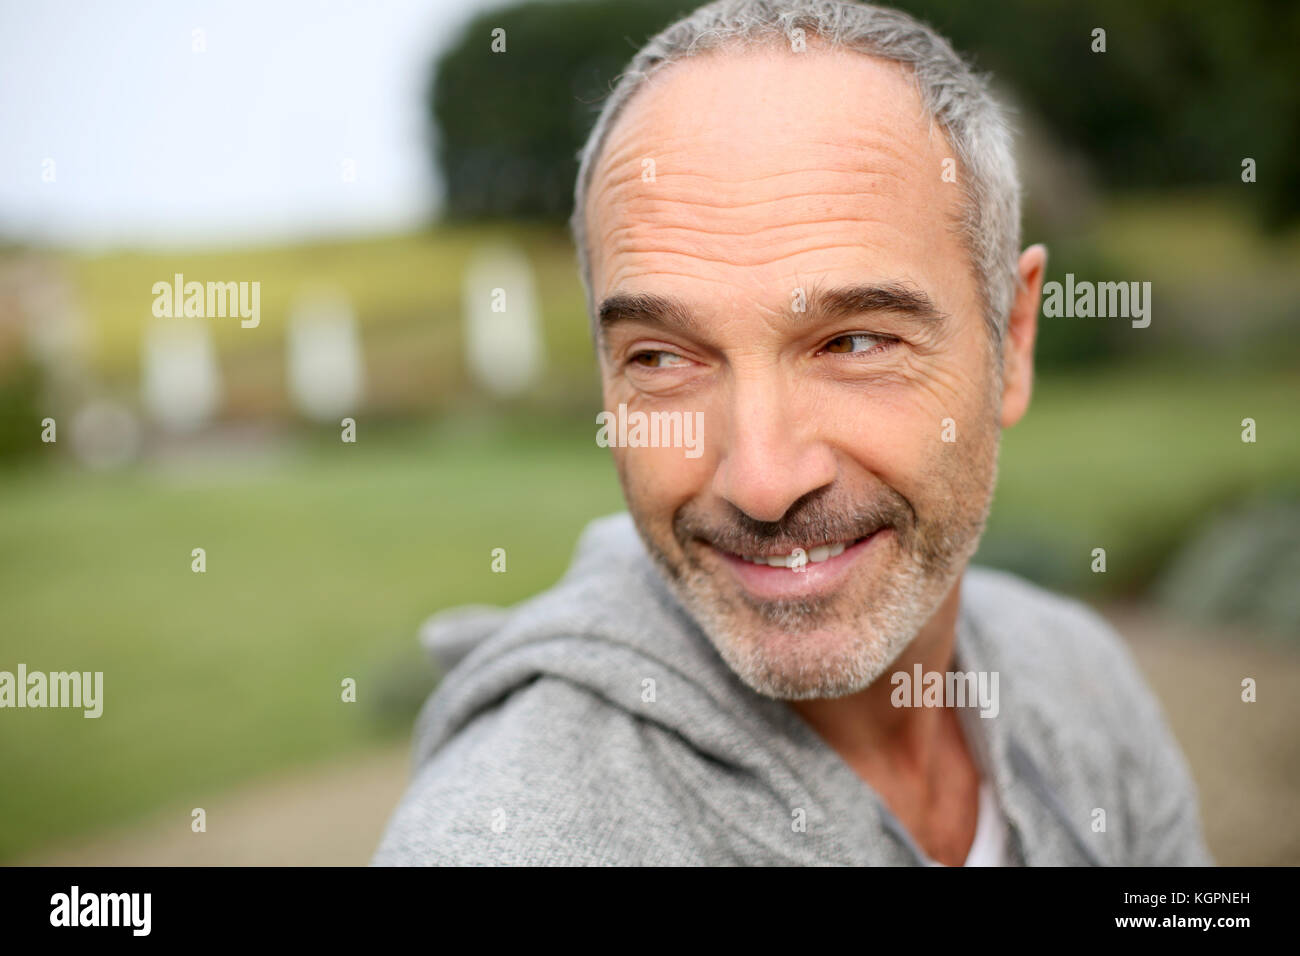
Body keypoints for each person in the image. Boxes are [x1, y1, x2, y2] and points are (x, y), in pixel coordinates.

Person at [373, 0, 1211, 866]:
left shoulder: (1080, 680)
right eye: (662, 358)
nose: (763, 481)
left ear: (1013, 341)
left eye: (852, 342)